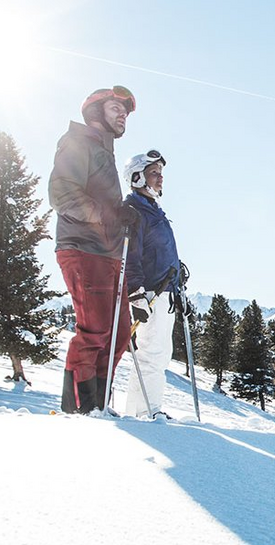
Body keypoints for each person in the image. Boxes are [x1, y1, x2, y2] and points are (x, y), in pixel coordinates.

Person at [49, 85, 140, 413]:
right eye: (117, 108)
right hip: (82, 248)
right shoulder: (78, 141)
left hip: (109, 254)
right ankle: (79, 409)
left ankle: (97, 406)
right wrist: (110, 215)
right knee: (96, 330)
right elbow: (62, 194)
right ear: (96, 109)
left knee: (117, 334)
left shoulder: (105, 152)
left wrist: (122, 215)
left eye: (126, 113)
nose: (123, 116)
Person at [122, 150, 185, 419]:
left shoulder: (154, 211)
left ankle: (141, 412)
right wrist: (135, 294)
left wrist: (179, 289)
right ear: (137, 178)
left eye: (161, 173)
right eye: (154, 173)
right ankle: (148, 412)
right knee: (151, 354)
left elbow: (162, 253)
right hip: (150, 293)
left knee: (159, 355)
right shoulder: (133, 211)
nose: (160, 178)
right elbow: (129, 255)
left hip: (166, 292)